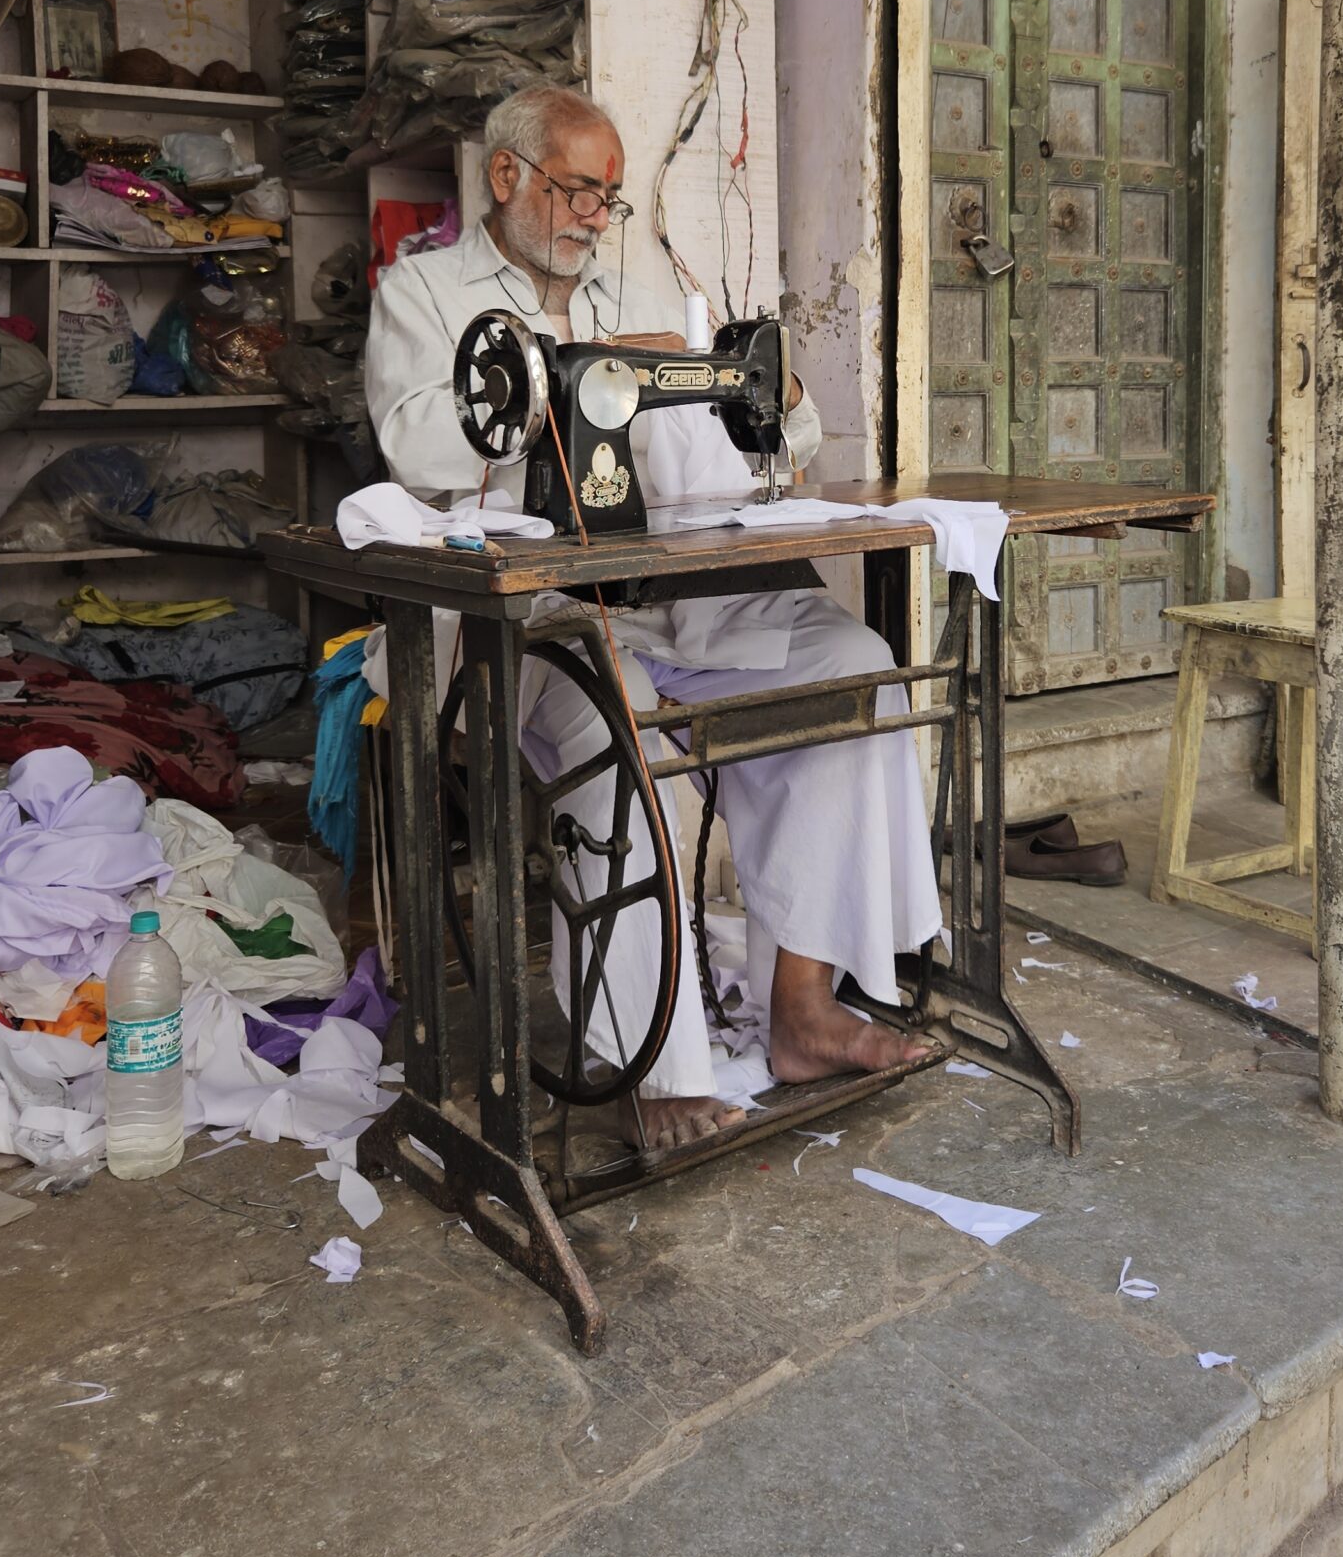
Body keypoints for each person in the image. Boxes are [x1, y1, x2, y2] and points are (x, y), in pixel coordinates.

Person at [364, 81, 940, 1152]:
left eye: (610, 198)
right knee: (615, 717)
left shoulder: (641, 290)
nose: (597, 215)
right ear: (508, 176)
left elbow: (773, 440)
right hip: (516, 616)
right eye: (580, 190)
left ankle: (806, 1009)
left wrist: (775, 393)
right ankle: (649, 1068)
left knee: (850, 667)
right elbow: (414, 446)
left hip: (664, 600)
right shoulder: (424, 293)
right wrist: (567, 383)